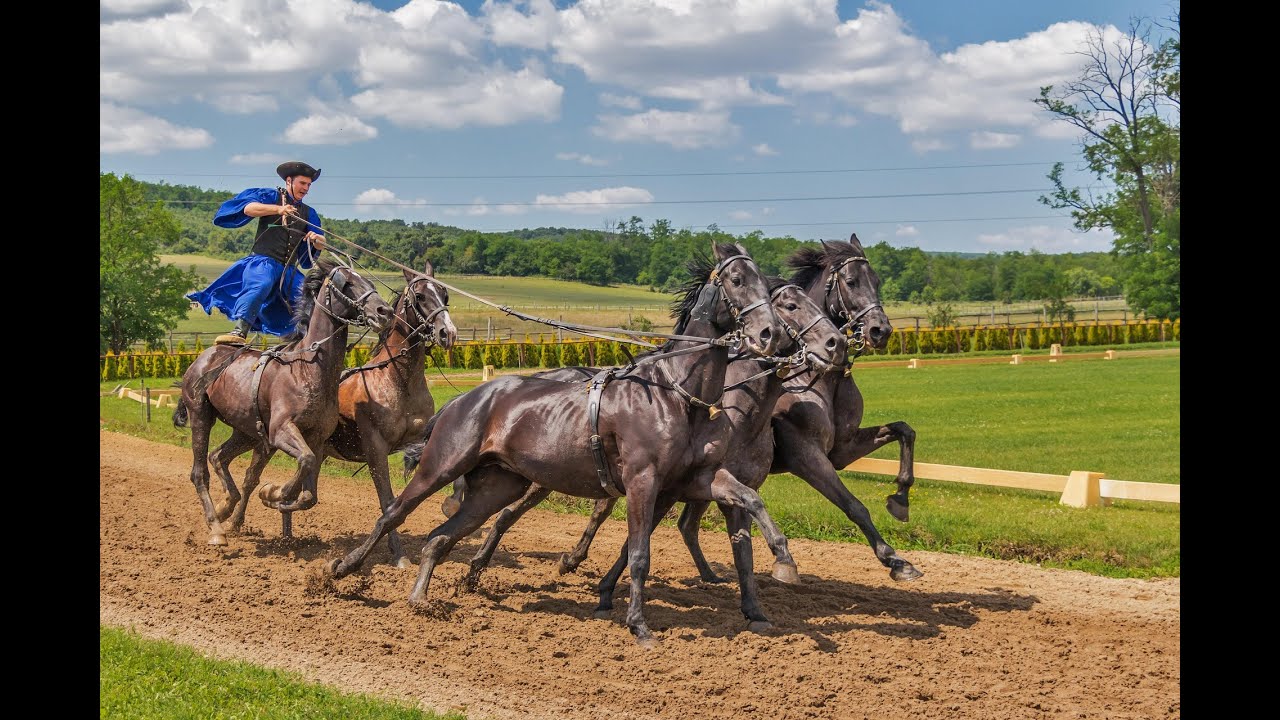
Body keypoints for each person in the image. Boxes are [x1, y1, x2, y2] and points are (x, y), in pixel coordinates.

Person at [188, 161, 328, 345]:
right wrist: (278, 209)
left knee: (312, 296)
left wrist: (317, 241)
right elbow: (248, 208)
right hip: (263, 262)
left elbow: (321, 242)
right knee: (261, 284)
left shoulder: (309, 213)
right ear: (289, 181)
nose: (306, 188)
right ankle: (239, 331)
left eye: (309, 185)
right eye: (303, 183)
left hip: (289, 270)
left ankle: (307, 340)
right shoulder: (270, 196)